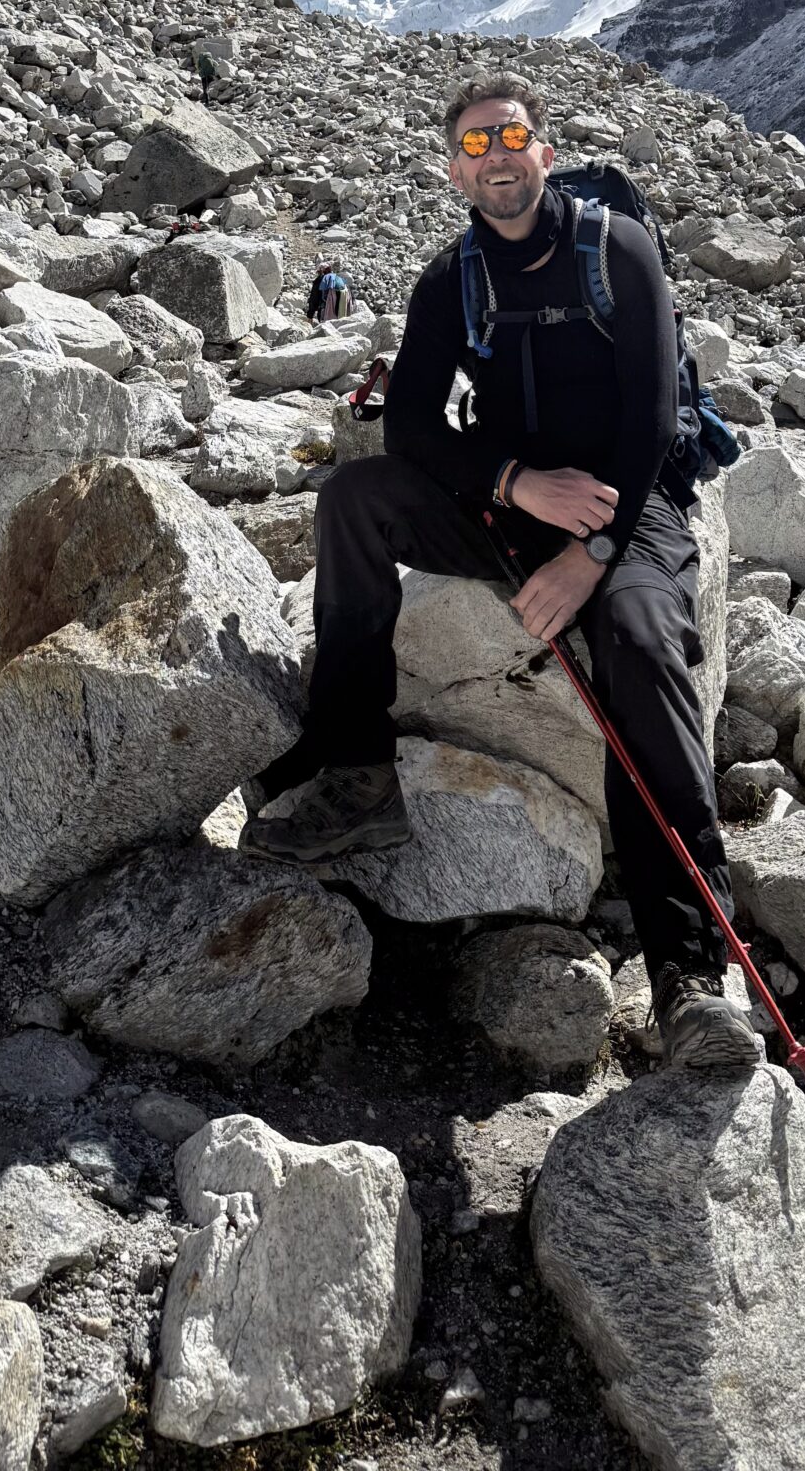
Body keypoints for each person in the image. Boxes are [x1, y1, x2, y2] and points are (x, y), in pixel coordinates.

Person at [243, 72, 762, 1073]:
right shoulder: (452, 281)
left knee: (644, 645)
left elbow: (653, 418)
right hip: (514, 499)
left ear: (545, 152)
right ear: (454, 172)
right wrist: (519, 485)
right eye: (475, 147)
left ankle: (689, 970)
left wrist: (593, 554)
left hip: (628, 502)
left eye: (511, 138)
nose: (497, 159)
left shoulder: (618, 251)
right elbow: (412, 427)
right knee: (354, 502)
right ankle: (356, 773)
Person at [306, 260, 353, 324]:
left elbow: (314, 298)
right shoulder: (338, 278)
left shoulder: (321, 279)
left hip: (328, 310)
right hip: (343, 309)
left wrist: (310, 315)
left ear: (321, 271)